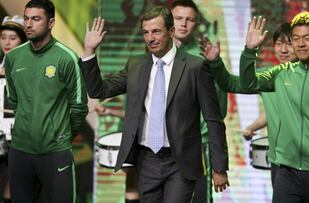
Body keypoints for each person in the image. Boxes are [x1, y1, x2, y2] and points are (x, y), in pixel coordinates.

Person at [80, 6, 229, 203]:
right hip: (146, 160)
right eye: (145, 32)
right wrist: (90, 51)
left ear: (171, 31)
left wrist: (219, 167)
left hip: (180, 161)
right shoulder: (135, 65)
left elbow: (213, 118)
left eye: (156, 31)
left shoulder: (195, 66)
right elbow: (99, 91)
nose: (150, 38)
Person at [238, 12, 309, 203]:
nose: (300, 44)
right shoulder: (281, 73)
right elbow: (247, 83)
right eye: (296, 39)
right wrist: (250, 50)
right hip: (286, 169)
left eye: (307, 38)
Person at [4, 0, 89, 202]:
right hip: (20, 151)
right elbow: (14, 100)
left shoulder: (67, 57)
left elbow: (79, 106)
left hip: (55, 153)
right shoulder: (13, 57)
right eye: (26, 19)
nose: (29, 24)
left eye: (36, 19)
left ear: (51, 23)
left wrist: (62, 136)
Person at [171, 1, 228, 202]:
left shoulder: (205, 55)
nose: (183, 24)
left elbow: (219, 110)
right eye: (178, 18)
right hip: (162, 147)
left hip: (197, 147)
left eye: (190, 19)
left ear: (196, 24)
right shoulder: (157, 54)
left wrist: (216, 66)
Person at [242, 22, 297, 186]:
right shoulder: (268, 76)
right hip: (279, 159)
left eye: (289, 43)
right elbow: (273, 111)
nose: (284, 49)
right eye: (279, 44)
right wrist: (252, 128)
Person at [0, 15, 27, 203]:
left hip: (18, 133)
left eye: (13, 38)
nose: (7, 42)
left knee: (14, 183)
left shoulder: (28, 66)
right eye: (3, 37)